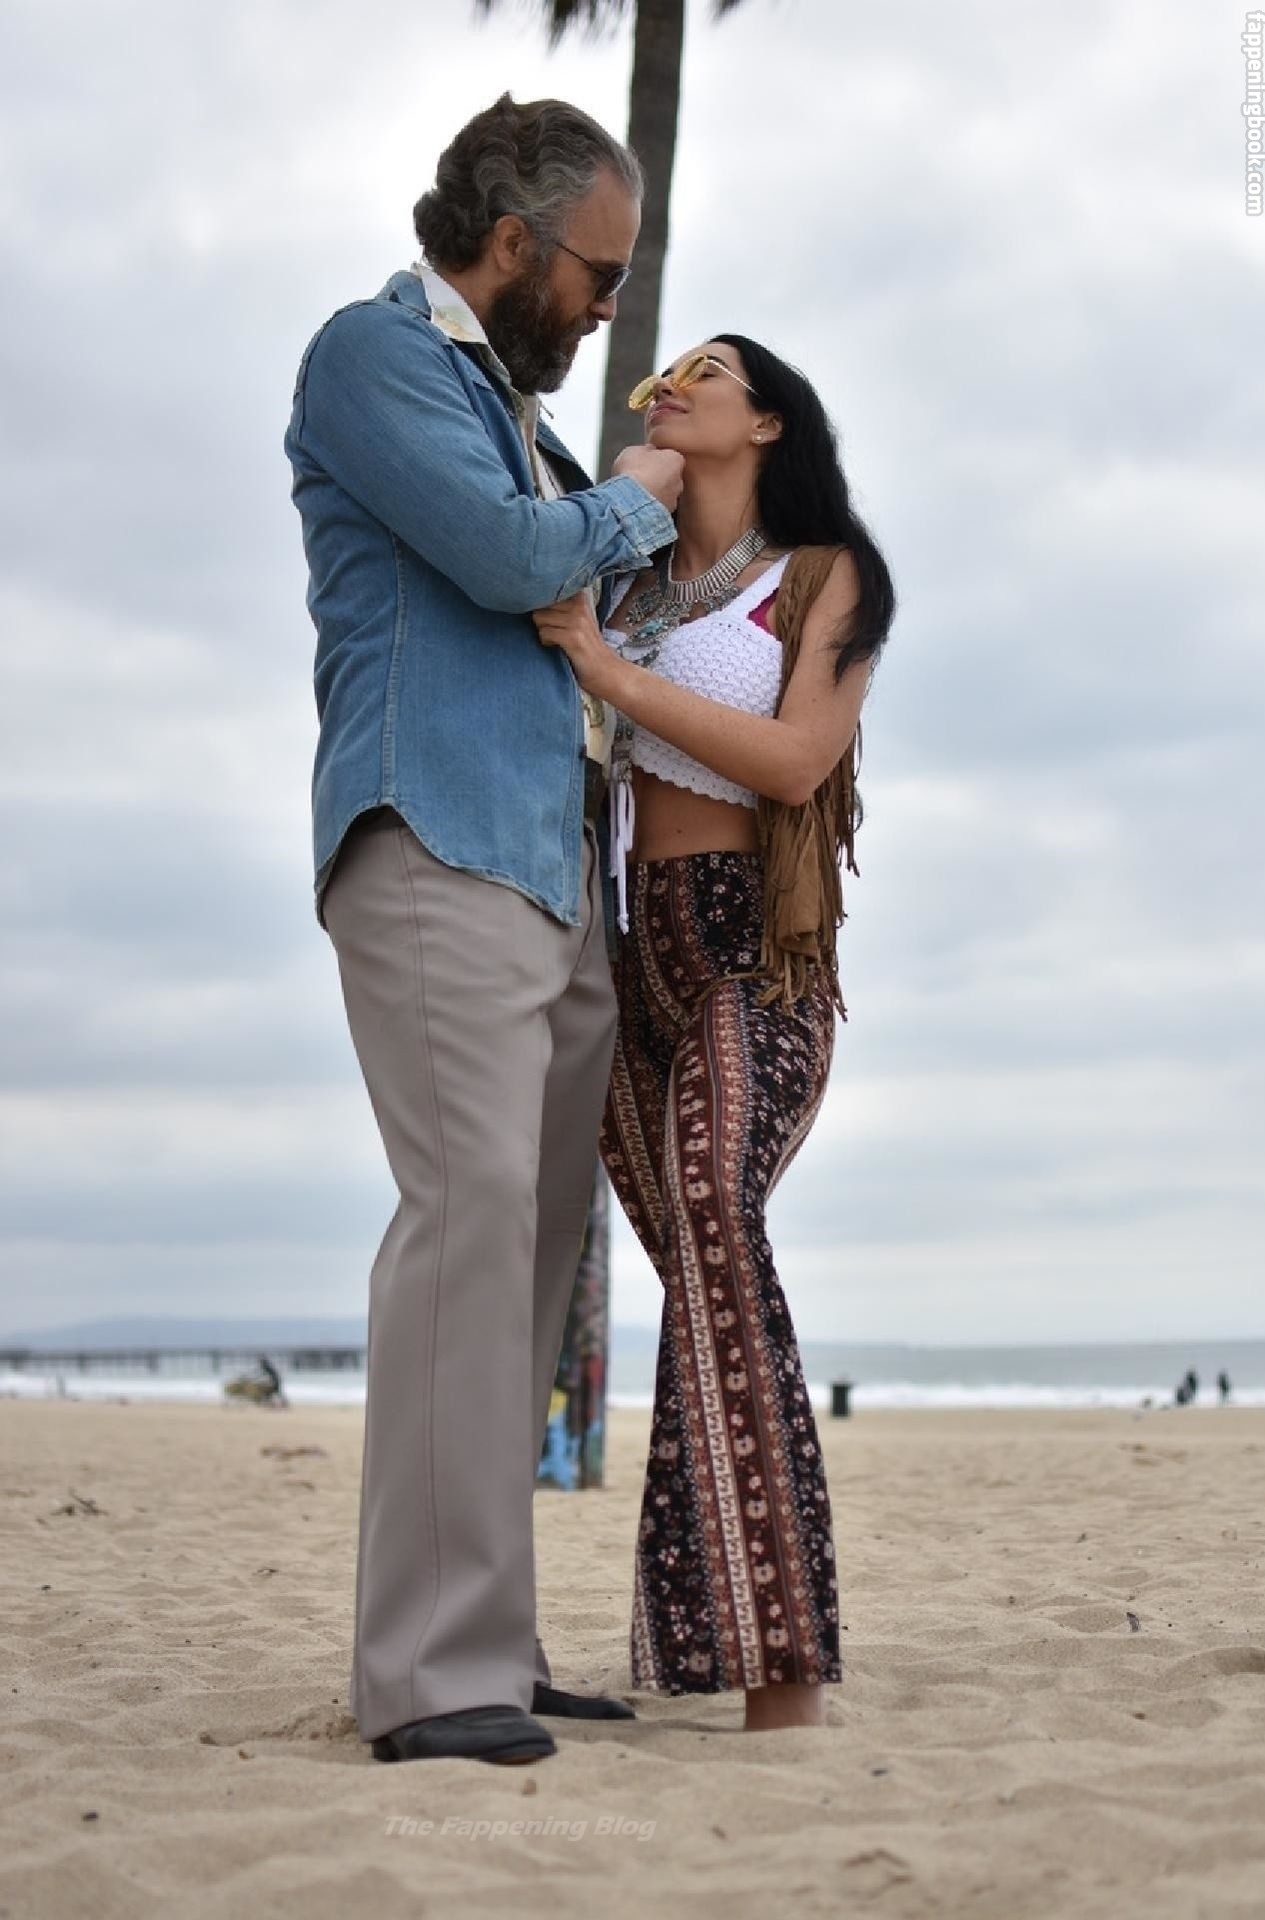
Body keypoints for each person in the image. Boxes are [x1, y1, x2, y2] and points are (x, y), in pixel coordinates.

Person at [283, 94, 684, 1768]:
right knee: (465, 1228)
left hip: (551, 872)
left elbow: (590, 597)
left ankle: (490, 1645)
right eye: (598, 274)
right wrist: (638, 493)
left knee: (521, 1262)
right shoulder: (372, 356)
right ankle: (433, 1674)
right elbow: (516, 562)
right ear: (512, 241)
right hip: (436, 837)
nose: (606, 309)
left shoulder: (518, 415)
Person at [533, 335, 895, 1731]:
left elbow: (797, 761)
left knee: (711, 1218)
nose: (670, 384)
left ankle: (784, 1676)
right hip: (627, 959)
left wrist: (609, 677)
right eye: (662, 373)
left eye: (706, 373)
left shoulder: (824, 576)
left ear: (769, 423)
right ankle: (702, 1638)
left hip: (759, 954)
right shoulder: (624, 583)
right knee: (705, 1277)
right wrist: (616, 510)